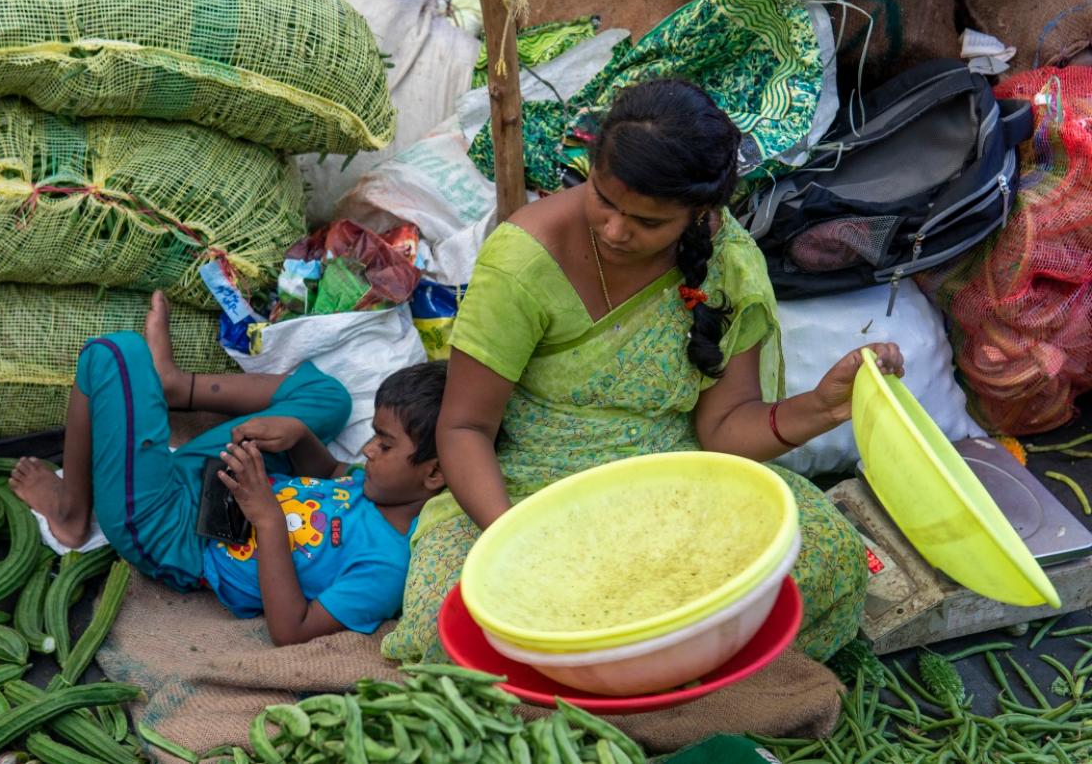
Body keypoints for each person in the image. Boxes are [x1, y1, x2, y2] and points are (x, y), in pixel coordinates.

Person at [380, 79, 906, 664]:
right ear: (592, 169)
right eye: (604, 200)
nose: (614, 231)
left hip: (675, 493)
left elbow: (723, 432)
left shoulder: (727, 262)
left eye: (648, 222)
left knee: (824, 558)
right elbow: (464, 430)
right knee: (458, 632)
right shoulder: (524, 258)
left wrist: (824, 407)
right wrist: (517, 546)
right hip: (529, 497)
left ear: (699, 214)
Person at [10, 291, 447, 645]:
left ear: (432, 474)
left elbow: (291, 629)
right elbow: (331, 471)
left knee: (112, 354)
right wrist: (297, 435)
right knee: (328, 397)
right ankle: (177, 386)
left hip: (178, 535)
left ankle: (71, 512)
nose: (368, 450)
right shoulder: (378, 486)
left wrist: (267, 518)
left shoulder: (384, 567)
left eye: (385, 444)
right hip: (225, 479)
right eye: (374, 435)